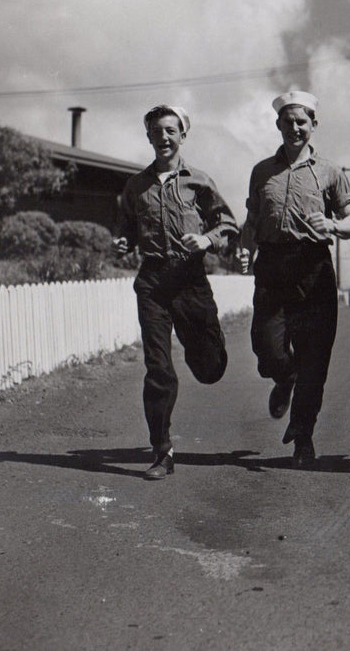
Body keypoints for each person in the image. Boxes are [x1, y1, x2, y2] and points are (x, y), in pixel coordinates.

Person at [114, 105, 238, 480]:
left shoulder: (198, 181)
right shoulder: (136, 186)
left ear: (183, 135)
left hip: (190, 281)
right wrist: (123, 241)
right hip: (152, 282)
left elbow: (228, 224)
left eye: (171, 130)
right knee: (158, 367)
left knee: (210, 368)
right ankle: (162, 450)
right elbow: (127, 228)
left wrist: (206, 239)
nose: (164, 137)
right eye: (156, 131)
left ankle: (208, 353)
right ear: (148, 137)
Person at [237, 90, 350, 468]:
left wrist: (336, 225)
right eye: (288, 121)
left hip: (314, 269)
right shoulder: (262, 171)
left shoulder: (330, 172)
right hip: (272, 268)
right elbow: (252, 221)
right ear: (278, 125)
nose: (295, 128)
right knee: (267, 348)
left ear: (313, 126)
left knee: (314, 360)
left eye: (302, 121)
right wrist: (245, 248)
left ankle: (303, 436)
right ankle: (283, 377)